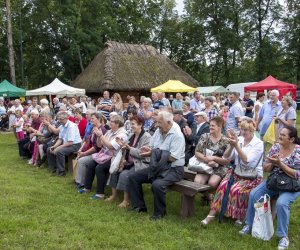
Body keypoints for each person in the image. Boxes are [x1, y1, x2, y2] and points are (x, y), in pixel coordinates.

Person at [240, 126, 300, 250]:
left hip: (292, 185)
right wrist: (272, 163)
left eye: (283, 135)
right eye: (280, 133)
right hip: (274, 180)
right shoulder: (276, 147)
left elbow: (296, 174)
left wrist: (280, 164)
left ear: (292, 139)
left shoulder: (298, 151)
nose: (280, 136)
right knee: (254, 194)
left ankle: (283, 237)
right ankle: (249, 224)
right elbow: (265, 168)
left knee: (282, 203)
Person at [201, 118, 264, 225]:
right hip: (237, 171)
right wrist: (231, 145)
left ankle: (240, 216)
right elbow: (226, 156)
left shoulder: (258, 143)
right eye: (242, 129)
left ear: (252, 130)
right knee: (223, 186)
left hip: (252, 175)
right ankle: (211, 214)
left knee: (236, 189)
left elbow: (246, 160)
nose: (243, 132)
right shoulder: (239, 139)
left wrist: (236, 146)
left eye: (246, 130)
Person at [128, 111, 185, 220]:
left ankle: (160, 213)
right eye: (156, 122)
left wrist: (155, 153)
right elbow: (153, 148)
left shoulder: (177, 135)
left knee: (157, 184)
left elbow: (173, 157)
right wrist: (149, 150)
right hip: (158, 166)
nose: (157, 125)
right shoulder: (159, 131)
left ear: (168, 122)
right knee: (133, 177)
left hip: (174, 169)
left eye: (160, 122)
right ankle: (139, 207)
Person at [79, 115, 128, 199]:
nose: (109, 122)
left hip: (115, 158)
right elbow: (99, 145)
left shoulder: (122, 134)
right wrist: (98, 136)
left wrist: (101, 135)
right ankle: (87, 188)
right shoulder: (110, 131)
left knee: (100, 168)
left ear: (117, 124)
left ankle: (100, 193)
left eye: (111, 121)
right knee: (91, 164)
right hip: (105, 155)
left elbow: (110, 146)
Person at [106, 115, 151, 208]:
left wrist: (128, 148)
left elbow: (142, 154)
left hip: (140, 163)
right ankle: (113, 195)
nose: (131, 126)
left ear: (140, 125)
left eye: (133, 124)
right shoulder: (131, 135)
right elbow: (125, 149)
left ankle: (126, 200)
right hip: (129, 161)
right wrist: (122, 146)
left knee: (125, 174)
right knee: (115, 170)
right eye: (131, 124)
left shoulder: (146, 137)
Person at [194, 116, 230, 204]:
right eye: (210, 125)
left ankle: (214, 200)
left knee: (212, 183)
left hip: (220, 166)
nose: (210, 127)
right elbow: (197, 153)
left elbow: (227, 161)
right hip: (205, 164)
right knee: (197, 182)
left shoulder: (226, 141)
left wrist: (216, 162)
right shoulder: (205, 136)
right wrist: (207, 160)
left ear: (219, 127)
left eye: (213, 126)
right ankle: (208, 197)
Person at [75, 112, 107, 188]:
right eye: (91, 118)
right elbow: (87, 140)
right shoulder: (93, 128)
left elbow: (97, 148)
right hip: (93, 151)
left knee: (82, 161)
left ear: (98, 119)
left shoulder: (101, 129)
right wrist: (81, 150)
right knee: (81, 157)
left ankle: (80, 182)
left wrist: (84, 153)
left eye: (93, 118)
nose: (91, 120)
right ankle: (79, 180)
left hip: (100, 154)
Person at [47, 111, 82, 176]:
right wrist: (54, 146)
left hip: (75, 145)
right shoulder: (62, 126)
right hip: (67, 144)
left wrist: (58, 148)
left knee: (60, 151)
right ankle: (54, 168)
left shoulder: (71, 126)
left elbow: (70, 142)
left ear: (67, 118)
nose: (60, 121)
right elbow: (60, 139)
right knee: (49, 149)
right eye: (59, 119)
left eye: (61, 119)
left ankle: (62, 171)